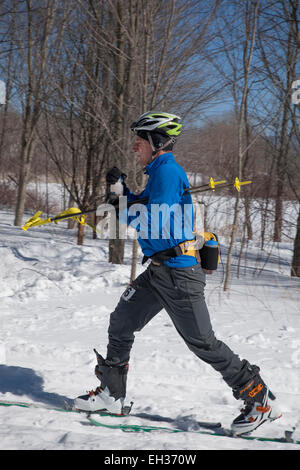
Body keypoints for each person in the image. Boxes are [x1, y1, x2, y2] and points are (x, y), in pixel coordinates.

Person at [74, 111, 281, 434]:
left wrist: (120, 208)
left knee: (203, 342)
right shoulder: (157, 172)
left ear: (155, 142)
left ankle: (259, 398)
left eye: (139, 141)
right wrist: (121, 192)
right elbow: (142, 205)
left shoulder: (168, 173)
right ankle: (112, 395)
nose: (134, 147)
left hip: (179, 274)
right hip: (158, 272)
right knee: (122, 321)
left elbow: (153, 221)